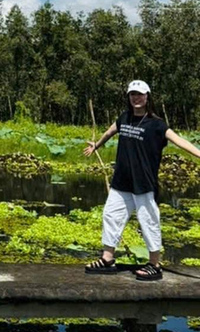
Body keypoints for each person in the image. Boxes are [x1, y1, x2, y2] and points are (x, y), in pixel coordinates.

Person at [84, 80, 200, 281]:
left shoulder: (156, 124)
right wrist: (97, 145)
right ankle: (107, 258)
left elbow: (179, 140)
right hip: (121, 182)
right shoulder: (125, 118)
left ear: (147, 97)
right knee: (110, 216)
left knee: (149, 222)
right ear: (129, 97)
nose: (136, 98)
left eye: (140, 94)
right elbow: (110, 132)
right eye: (132, 94)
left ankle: (154, 264)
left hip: (144, 184)